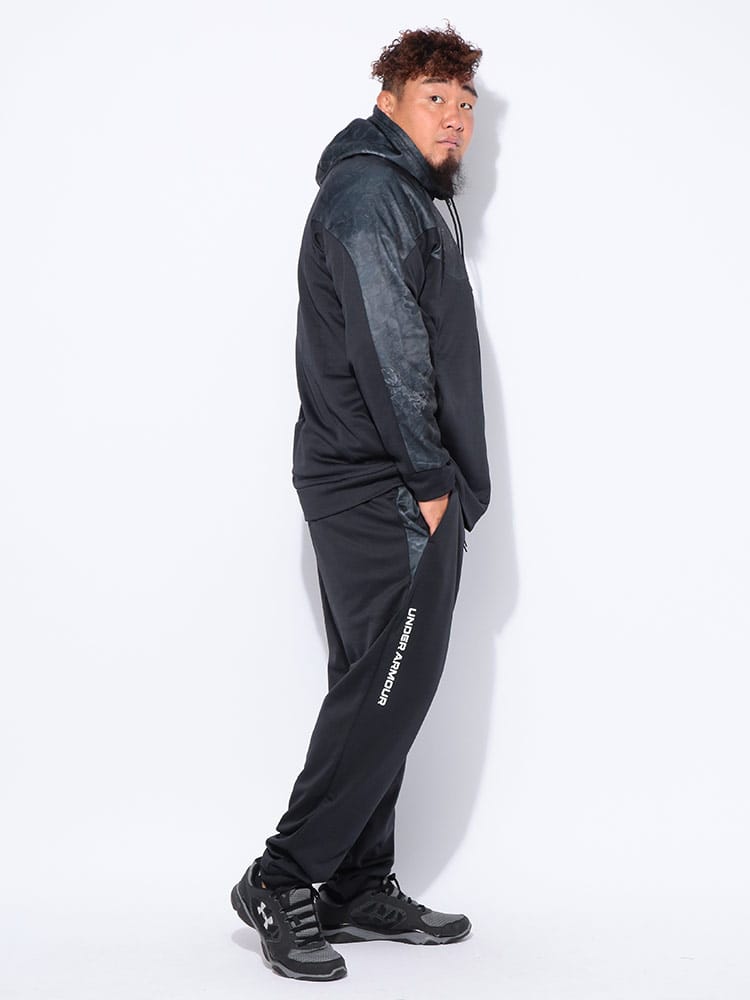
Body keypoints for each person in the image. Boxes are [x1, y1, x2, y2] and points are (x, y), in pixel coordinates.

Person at [231, 24, 491, 982]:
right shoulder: (373, 194)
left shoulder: (405, 193)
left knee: (373, 687)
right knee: (389, 690)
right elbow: (390, 347)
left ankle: (353, 880)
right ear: (389, 101)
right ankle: (281, 876)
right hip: (380, 484)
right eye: (436, 99)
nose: (455, 119)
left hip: (379, 479)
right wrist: (431, 481)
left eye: (465, 104)